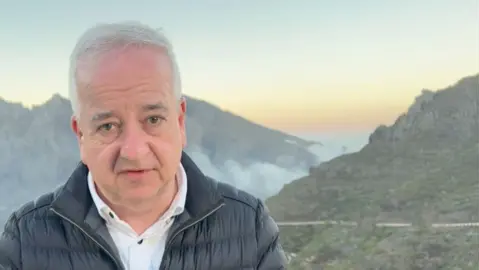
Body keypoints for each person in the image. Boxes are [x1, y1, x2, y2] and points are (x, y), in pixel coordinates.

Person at [0, 21, 287, 269]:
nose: (135, 152)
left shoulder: (250, 227)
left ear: (180, 121)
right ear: (81, 136)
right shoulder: (25, 241)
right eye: (108, 126)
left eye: (152, 119)